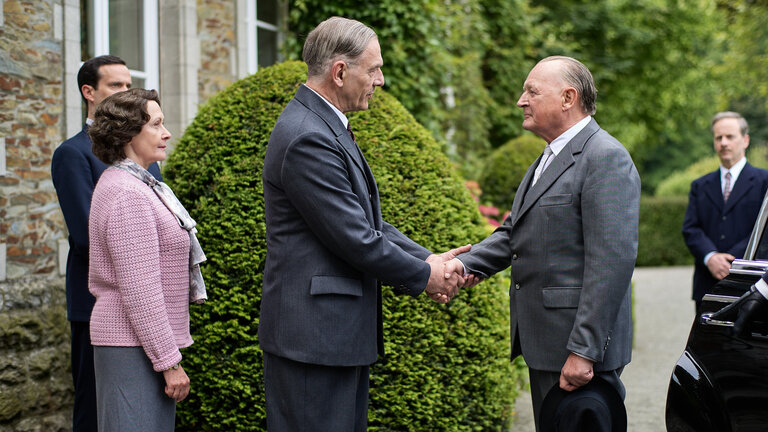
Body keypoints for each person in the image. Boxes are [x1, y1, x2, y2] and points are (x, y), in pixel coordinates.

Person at [259, 16, 469, 431]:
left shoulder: (321, 125)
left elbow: (367, 222)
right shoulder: (308, 136)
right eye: (374, 69)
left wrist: (428, 259)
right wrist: (426, 276)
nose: (381, 80)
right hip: (315, 341)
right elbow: (355, 237)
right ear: (340, 72)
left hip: (328, 338)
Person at [453, 56, 640, 431]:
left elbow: (611, 264)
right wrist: (462, 265)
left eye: (532, 91)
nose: (521, 100)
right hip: (548, 346)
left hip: (577, 353)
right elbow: (515, 231)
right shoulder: (549, 156)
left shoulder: (605, 157)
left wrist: (584, 350)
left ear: (568, 98)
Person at [51, 55, 162, 432]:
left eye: (129, 84)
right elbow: (86, 236)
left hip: (147, 302)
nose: (125, 91)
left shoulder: (142, 150)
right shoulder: (72, 153)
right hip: (95, 303)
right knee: (94, 406)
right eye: (116, 85)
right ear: (89, 92)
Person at [87, 88, 205, 431]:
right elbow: (141, 291)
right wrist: (169, 363)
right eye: (156, 124)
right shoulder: (128, 193)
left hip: (139, 344)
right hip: (131, 345)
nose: (166, 133)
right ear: (127, 134)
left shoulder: (137, 185)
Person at [683, 112, 768, 311]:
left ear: (745, 140)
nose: (723, 143)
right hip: (707, 284)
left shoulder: (765, 182)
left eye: (730, 136)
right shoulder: (699, 185)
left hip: (752, 286)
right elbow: (691, 228)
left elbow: (765, 231)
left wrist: (732, 260)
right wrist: (711, 257)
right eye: (718, 137)